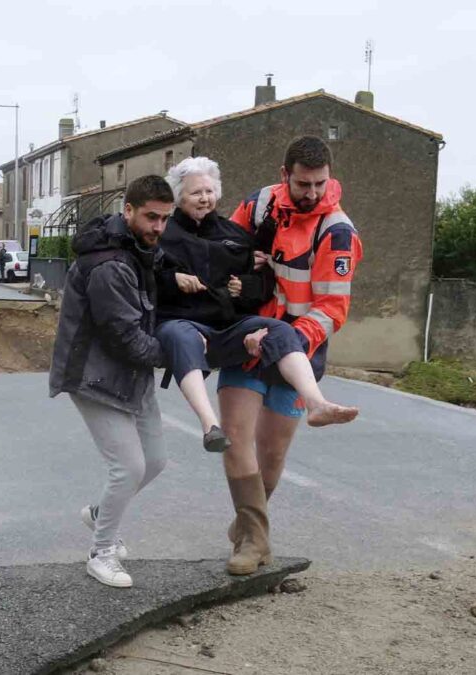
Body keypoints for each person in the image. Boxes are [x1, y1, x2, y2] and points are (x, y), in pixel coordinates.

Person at [212, 136, 364, 576]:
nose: (312, 193)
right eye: (303, 183)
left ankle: (246, 525)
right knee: (236, 439)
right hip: (245, 338)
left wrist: (285, 342)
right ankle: (255, 541)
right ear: (285, 176)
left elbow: (333, 308)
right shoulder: (258, 205)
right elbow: (224, 252)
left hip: (299, 348)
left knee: (272, 453)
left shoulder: (337, 232)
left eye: (319, 183)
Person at [154, 157, 358, 454]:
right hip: (184, 324)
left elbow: (263, 284)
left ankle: (317, 403)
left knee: (278, 330)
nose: (204, 198)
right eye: (195, 192)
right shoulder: (163, 236)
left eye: (209, 191)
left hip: (229, 328)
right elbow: (146, 279)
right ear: (177, 196)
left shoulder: (235, 236)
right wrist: (173, 280)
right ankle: (210, 425)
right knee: (179, 335)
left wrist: (248, 287)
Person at [49, 175, 174, 588]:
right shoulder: (109, 264)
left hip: (129, 375)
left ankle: (100, 515)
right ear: (128, 211)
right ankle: (101, 553)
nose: (158, 227)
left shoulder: (141, 250)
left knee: (154, 461)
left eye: (164, 219)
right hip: (92, 375)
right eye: (151, 217)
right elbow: (124, 337)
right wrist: (181, 354)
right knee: (129, 467)